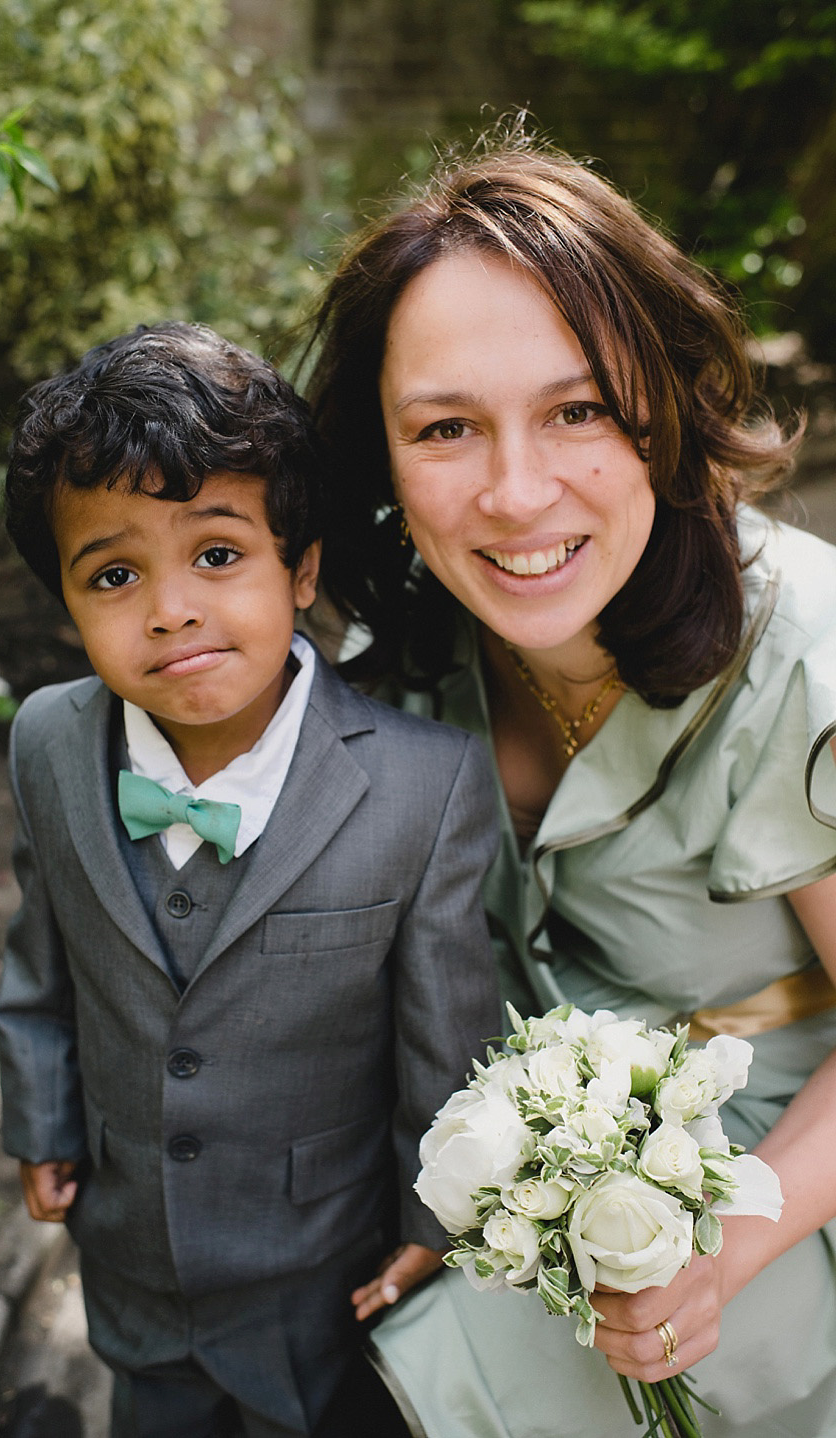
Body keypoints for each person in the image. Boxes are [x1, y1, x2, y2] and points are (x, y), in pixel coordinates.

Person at [303, 130, 836, 1436]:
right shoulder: (403, 667)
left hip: (780, 1185)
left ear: (660, 407)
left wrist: (723, 1255)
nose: (517, 491)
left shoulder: (806, 653)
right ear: (378, 451)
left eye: (578, 408)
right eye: (446, 427)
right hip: (519, 1163)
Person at [0, 321, 502, 1438]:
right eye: (115, 573)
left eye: (217, 553)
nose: (170, 607)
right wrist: (42, 1120)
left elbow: (446, 1042)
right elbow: (41, 959)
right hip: (134, 1259)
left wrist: (436, 1217)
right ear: (70, 605)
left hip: (321, 1276)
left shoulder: (426, 786)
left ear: (301, 567)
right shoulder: (47, 743)